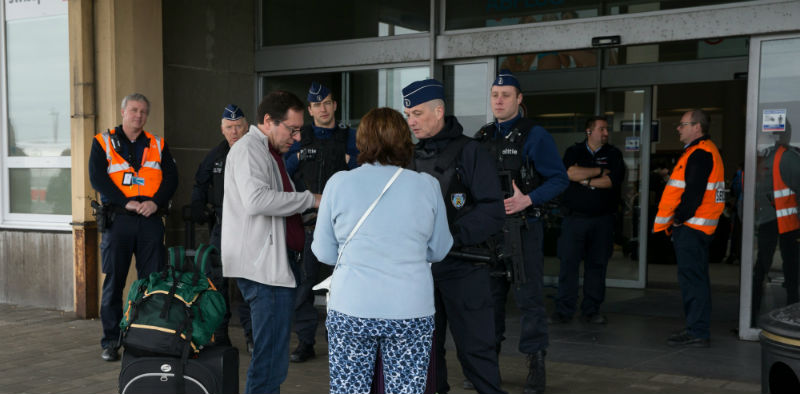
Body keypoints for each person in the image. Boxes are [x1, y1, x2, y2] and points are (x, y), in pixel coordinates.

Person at [311, 107, 452, 394]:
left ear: (361, 141)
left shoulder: (338, 183)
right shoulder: (428, 186)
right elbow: (439, 249)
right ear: (404, 141)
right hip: (410, 309)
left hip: (351, 306)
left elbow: (324, 253)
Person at [404, 78, 507, 394]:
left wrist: (449, 237)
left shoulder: (471, 152)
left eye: (418, 113)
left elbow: (493, 209)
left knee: (477, 351)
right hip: (421, 273)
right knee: (426, 356)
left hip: (465, 267)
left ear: (439, 111)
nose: (411, 121)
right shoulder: (409, 156)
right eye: (408, 114)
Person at [474, 70, 568, 394]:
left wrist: (527, 199)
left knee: (529, 301)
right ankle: (487, 369)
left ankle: (535, 365)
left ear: (519, 100)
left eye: (506, 95)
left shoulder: (535, 135)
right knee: (489, 302)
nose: (499, 100)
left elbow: (559, 179)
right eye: (495, 95)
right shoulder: (483, 136)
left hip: (524, 229)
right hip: (490, 233)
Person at [221, 90, 321, 394]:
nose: (296, 137)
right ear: (268, 121)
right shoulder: (249, 150)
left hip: (273, 265)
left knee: (273, 357)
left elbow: (278, 205)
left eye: (299, 129)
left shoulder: (269, 152)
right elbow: (256, 200)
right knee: (270, 361)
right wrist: (311, 200)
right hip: (263, 269)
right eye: (291, 129)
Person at [88, 93, 178, 362]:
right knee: (114, 282)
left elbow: (172, 179)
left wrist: (155, 202)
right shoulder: (102, 142)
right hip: (119, 220)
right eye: (134, 110)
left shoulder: (158, 144)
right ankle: (111, 341)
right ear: (123, 111)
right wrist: (124, 202)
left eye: (143, 112)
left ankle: (147, 339)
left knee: (152, 283)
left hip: (150, 220)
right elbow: (97, 177)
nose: (138, 115)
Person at [284, 82, 359, 363]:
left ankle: (338, 342)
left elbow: (362, 169)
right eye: (317, 105)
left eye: (327, 103)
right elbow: (285, 170)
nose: (323, 109)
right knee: (304, 287)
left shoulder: (348, 136)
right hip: (308, 225)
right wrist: (299, 155)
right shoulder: (299, 137)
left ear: (335, 105)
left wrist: (351, 160)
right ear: (310, 109)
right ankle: (305, 342)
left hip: (342, 226)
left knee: (340, 287)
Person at [653, 109, 725, 348]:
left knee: (692, 281)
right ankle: (697, 328)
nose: (678, 128)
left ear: (697, 127)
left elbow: (693, 194)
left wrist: (677, 220)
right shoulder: (703, 151)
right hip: (697, 228)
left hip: (692, 228)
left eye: (682, 124)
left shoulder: (700, 153)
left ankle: (697, 331)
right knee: (696, 279)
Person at [190, 104, 252, 351]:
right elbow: (200, 183)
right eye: (229, 127)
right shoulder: (215, 155)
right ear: (222, 129)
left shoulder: (256, 152)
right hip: (223, 226)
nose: (234, 131)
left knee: (249, 283)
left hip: (250, 226)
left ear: (246, 127)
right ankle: (221, 335)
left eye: (238, 126)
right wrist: (197, 204)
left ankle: (252, 337)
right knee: (216, 281)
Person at [553, 116, 625, 325]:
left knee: (597, 265)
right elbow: (569, 173)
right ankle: (564, 310)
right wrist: (598, 172)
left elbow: (611, 181)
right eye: (601, 129)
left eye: (606, 129)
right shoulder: (573, 152)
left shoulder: (613, 154)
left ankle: (591, 310)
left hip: (602, 220)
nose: (605, 133)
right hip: (575, 220)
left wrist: (583, 179)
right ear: (589, 131)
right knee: (568, 265)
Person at [751, 127, 800, 325]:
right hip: (780, 222)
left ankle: (753, 314)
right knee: (789, 270)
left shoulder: (775, 158)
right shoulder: (782, 158)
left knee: (767, 268)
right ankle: (789, 315)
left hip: (777, 222)